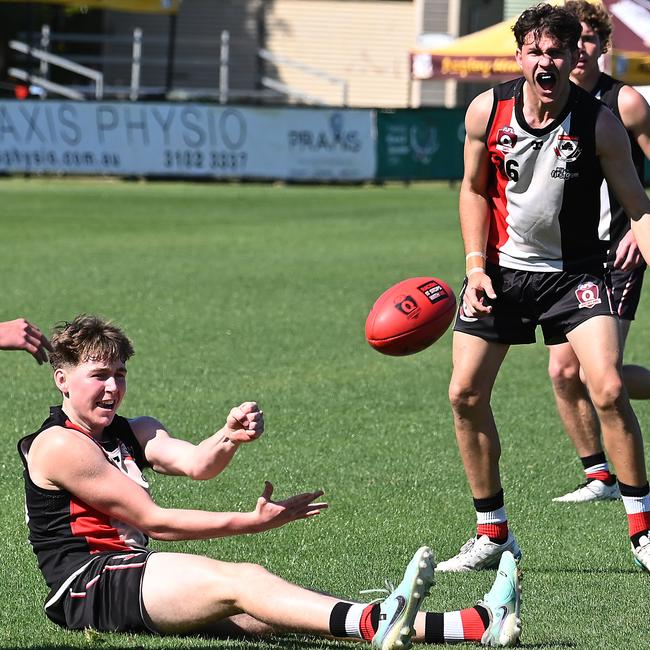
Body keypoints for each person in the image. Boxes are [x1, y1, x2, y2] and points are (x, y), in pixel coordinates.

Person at [18, 315, 521, 648]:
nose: (113, 388)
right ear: (62, 378)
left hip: (132, 571)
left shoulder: (132, 431)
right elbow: (155, 521)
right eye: (99, 375)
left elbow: (197, 464)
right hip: (88, 586)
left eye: (120, 374)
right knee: (244, 581)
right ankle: (378, 622)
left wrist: (228, 438)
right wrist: (252, 521)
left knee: (267, 609)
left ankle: (472, 625)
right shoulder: (61, 445)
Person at [439, 3, 650, 573]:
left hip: (576, 276)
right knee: (464, 394)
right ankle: (492, 535)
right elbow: (472, 190)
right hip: (501, 275)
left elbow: (639, 208)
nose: (546, 60)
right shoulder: (488, 110)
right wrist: (475, 265)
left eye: (556, 50)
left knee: (605, 387)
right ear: (520, 57)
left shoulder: (601, 122)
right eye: (535, 51)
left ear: (572, 56)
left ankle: (643, 531)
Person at [549, 0, 650, 503]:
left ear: (604, 46)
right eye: (574, 41)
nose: (581, 49)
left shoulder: (625, 103)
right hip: (564, 261)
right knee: (563, 372)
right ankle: (599, 477)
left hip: (617, 254)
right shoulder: (549, 101)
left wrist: (640, 226)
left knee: (598, 375)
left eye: (590, 40)